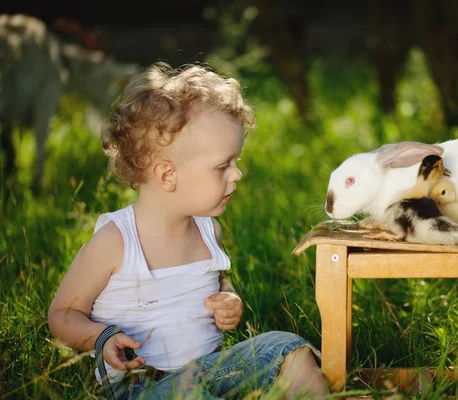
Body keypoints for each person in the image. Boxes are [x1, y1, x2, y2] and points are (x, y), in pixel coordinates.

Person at [47, 62, 330, 399]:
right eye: (223, 166)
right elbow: (63, 314)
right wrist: (102, 337)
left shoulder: (209, 230)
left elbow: (215, 279)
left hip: (212, 370)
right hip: (141, 386)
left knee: (289, 348)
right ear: (168, 175)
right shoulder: (115, 242)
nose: (237, 174)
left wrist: (229, 296)